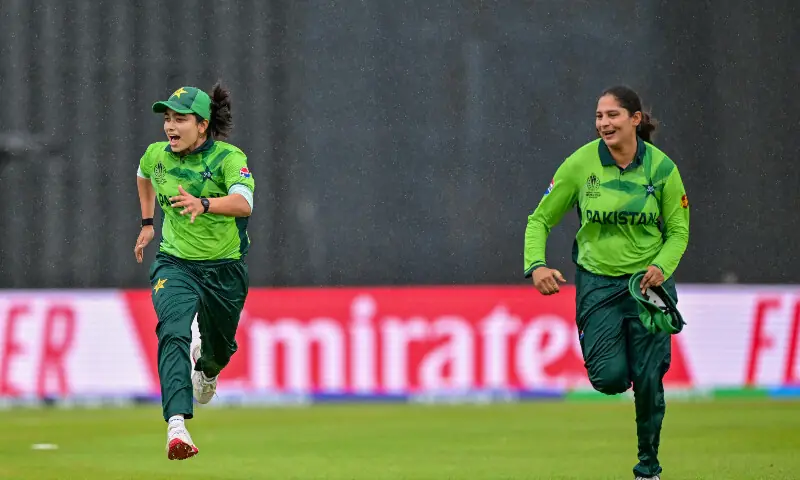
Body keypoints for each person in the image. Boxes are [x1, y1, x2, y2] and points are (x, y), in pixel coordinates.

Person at [523, 85, 690, 480]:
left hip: (647, 288)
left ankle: (648, 468)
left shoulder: (662, 168)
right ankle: (633, 360)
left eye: (612, 115)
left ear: (635, 119)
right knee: (609, 378)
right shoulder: (581, 165)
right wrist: (536, 265)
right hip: (597, 285)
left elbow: (678, 230)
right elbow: (539, 219)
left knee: (648, 380)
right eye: (599, 116)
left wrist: (661, 266)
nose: (604, 123)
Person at [133, 82, 255, 460]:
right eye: (167, 118)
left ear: (202, 126)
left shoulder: (228, 158)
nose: (170, 126)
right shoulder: (157, 155)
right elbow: (142, 174)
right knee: (173, 331)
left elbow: (244, 203)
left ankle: (208, 368)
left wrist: (204, 203)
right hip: (175, 264)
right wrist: (148, 222)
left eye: (180, 119)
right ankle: (176, 426)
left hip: (225, 270)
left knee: (220, 351)